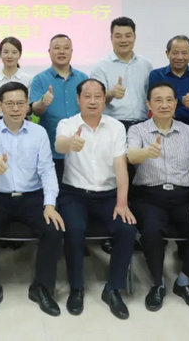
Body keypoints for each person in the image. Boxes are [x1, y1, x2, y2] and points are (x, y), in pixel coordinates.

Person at [0, 82, 64, 319]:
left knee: (53, 229)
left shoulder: (38, 132)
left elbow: (47, 170)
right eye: (10, 103)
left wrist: (50, 204)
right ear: (0, 106)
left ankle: (41, 288)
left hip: (32, 196)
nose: (15, 108)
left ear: (27, 106)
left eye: (20, 103)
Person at [127, 81, 189, 312]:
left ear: (176, 103)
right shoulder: (137, 130)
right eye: (158, 100)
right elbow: (131, 156)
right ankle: (157, 283)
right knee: (151, 231)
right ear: (149, 104)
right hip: (148, 196)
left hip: (183, 196)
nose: (164, 105)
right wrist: (147, 152)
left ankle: (184, 282)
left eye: (169, 100)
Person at [55, 79, 137, 319]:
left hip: (108, 194)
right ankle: (76, 288)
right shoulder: (67, 124)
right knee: (74, 230)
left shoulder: (116, 127)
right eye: (87, 96)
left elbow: (121, 166)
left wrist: (122, 202)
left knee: (127, 229)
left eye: (97, 96)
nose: (92, 101)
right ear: (78, 99)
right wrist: (71, 142)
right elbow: (59, 145)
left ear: (104, 99)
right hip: (74, 194)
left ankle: (113, 288)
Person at [30, 34, 89, 180]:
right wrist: (43, 102)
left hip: (80, 148)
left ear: (71, 52)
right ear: (49, 51)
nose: (62, 52)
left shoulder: (83, 78)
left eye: (66, 48)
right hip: (51, 148)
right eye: (57, 48)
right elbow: (35, 110)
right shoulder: (39, 79)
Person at [90, 17, 153, 131]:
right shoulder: (100, 66)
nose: (123, 40)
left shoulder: (146, 65)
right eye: (118, 36)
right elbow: (94, 98)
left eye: (128, 36)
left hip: (143, 124)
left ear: (134, 37)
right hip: (112, 126)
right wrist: (111, 93)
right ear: (111, 38)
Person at [147, 35, 189, 131]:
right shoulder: (156, 75)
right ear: (167, 53)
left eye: (184, 53)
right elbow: (154, 103)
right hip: (160, 128)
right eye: (175, 53)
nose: (180, 57)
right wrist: (182, 101)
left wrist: (174, 113)